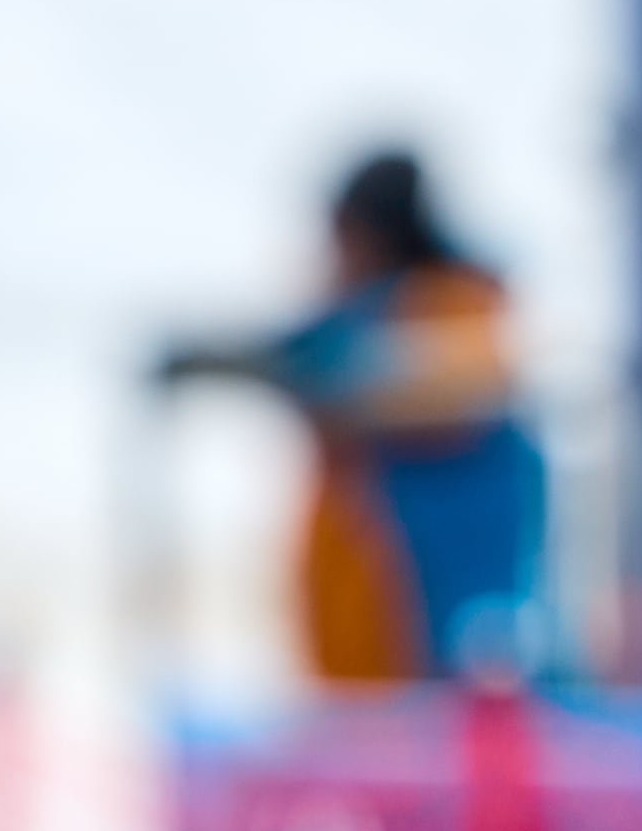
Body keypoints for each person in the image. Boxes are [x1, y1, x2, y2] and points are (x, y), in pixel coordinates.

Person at [161, 146, 547, 684]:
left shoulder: (458, 307)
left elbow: (440, 387)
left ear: (371, 235)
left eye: (341, 238)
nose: (333, 257)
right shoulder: (351, 319)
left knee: (454, 694)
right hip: (371, 622)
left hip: (443, 607)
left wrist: (320, 383)